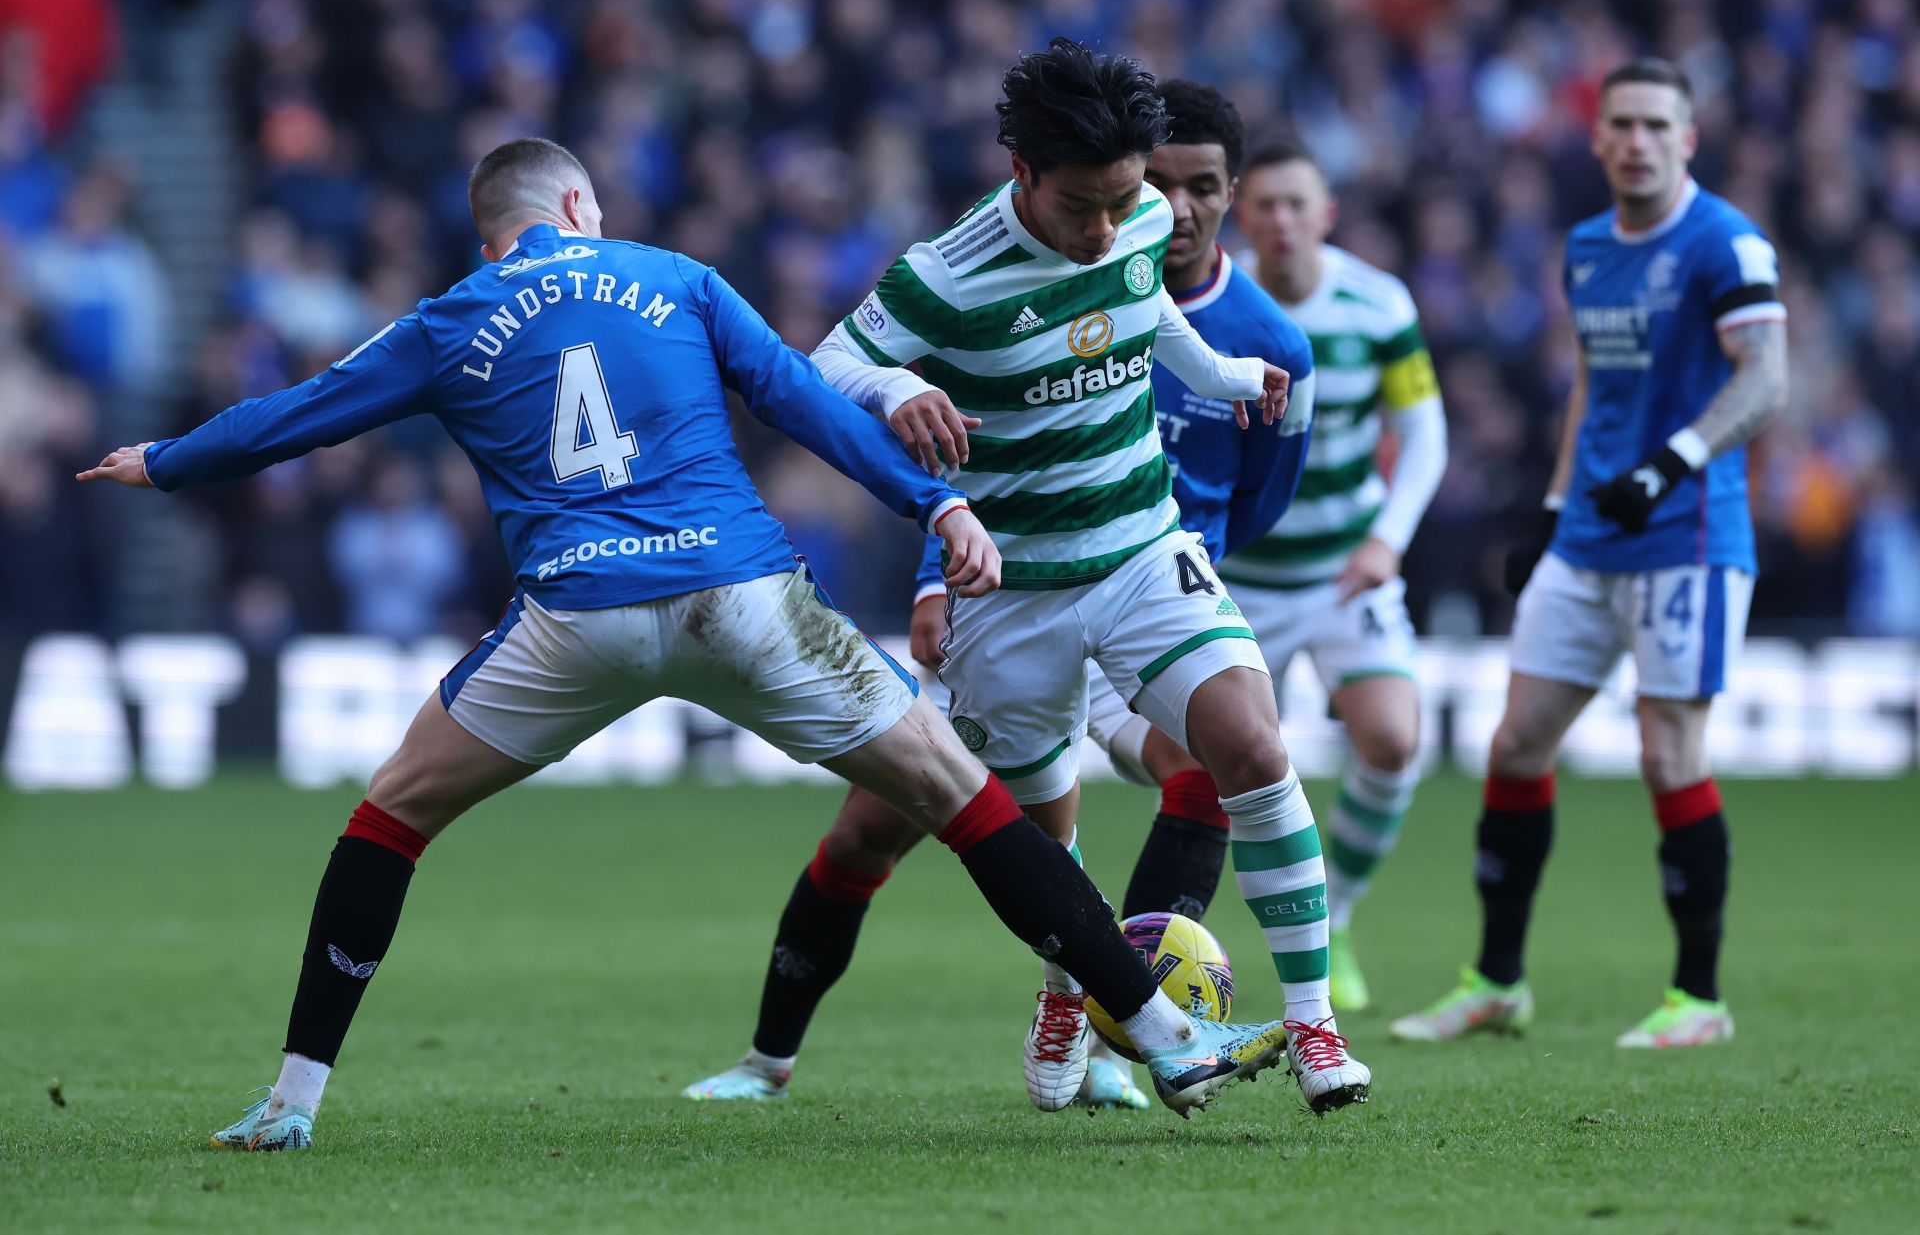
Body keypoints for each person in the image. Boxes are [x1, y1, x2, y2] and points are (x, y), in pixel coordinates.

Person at [77, 137, 1293, 1151]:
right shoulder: (676, 277)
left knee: (389, 816)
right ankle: (1168, 1034)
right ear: (576, 209)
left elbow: (299, 417)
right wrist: (936, 504)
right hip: (746, 599)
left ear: (494, 232)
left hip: (577, 620)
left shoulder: (449, 319)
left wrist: (164, 461)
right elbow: (807, 404)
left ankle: (293, 1102)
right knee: (966, 800)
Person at [684, 79, 1319, 1112]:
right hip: (1007, 587)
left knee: (1218, 761)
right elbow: (854, 381)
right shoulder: (980, 273)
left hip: (1146, 590)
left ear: (1229, 192)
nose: (1167, 210)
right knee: (874, 831)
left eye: (1198, 188)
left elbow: (1257, 509)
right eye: (1163, 186)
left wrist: (1187, 581)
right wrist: (939, 563)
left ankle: (1116, 1030)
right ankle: (769, 1058)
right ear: (1031, 176)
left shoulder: (1268, 342)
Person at [1391, 58, 1788, 1048]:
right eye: (1623, 124)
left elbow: (1768, 376)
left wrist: (1673, 464)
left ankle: (1700, 998)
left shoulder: (1726, 241)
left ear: (1688, 138)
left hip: (1687, 537)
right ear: (1599, 136)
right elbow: (1590, 386)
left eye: (1659, 124)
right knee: (1516, 743)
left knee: (1666, 752)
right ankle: (1495, 981)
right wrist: (1557, 507)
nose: (1639, 141)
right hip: (1589, 534)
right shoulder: (1585, 246)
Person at [1208, 136, 1449, 1012]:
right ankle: (1207, 932)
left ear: (1326, 213)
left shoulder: (1377, 303)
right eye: (1264, 205)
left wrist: (1387, 538)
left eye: (1295, 204)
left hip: (1346, 570)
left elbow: (1425, 432)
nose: (1280, 221)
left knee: (1392, 738)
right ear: (1245, 214)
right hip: (1239, 573)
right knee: (1194, 765)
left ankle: (1336, 912)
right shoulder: (1209, 305)